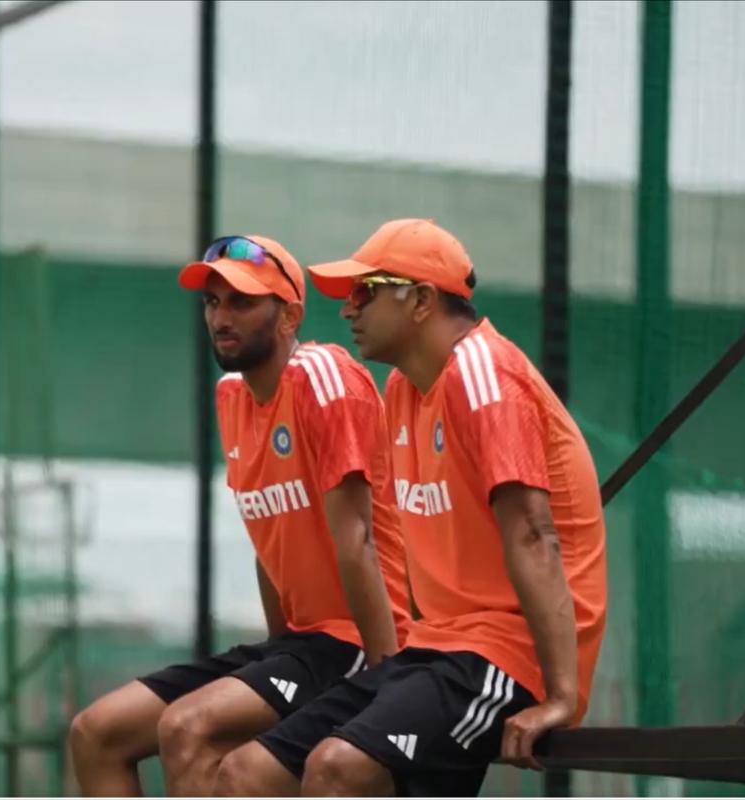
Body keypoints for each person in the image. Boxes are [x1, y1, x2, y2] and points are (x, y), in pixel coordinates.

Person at [214, 218, 608, 797]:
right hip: (434, 648)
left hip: (506, 654)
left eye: (365, 292)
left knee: (336, 767)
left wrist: (560, 696)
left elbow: (533, 535)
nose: (348, 309)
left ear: (421, 300)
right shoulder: (400, 391)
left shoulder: (485, 375)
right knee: (244, 775)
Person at [67, 234, 411, 796]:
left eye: (242, 302)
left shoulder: (324, 379)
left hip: (360, 638)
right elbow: (267, 538)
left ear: (289, 315)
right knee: (97, 732)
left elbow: (358, 541)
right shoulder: (232, 397)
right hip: (301, 643)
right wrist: (276, 661)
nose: (221, 317)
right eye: (212, 302)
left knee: (188, 726)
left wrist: (385, 677)